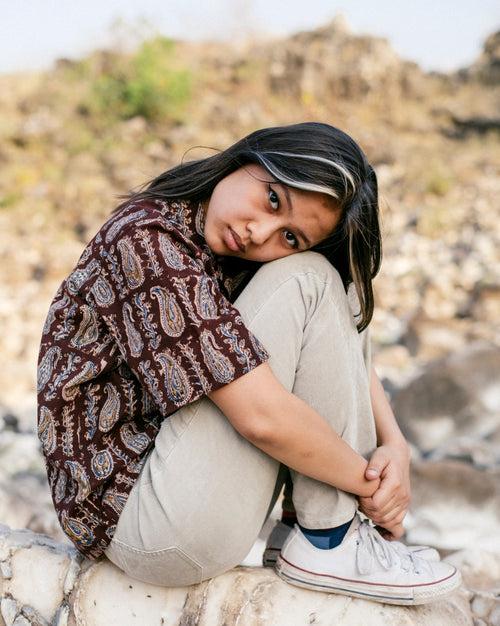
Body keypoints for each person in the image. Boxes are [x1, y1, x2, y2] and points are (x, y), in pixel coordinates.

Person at [37, 122, 461, 605]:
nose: (259, 232)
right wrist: (370, 488)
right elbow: (261, 417)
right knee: (311, 280)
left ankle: (311, 533)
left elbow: (336, 339)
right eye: (273, 200)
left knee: (334, 285)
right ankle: (330, 539)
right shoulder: (146, 239)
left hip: (190, 495)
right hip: (144, 522)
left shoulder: (228, 246)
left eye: (290, 237)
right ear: (251, 157)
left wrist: (395, 446)